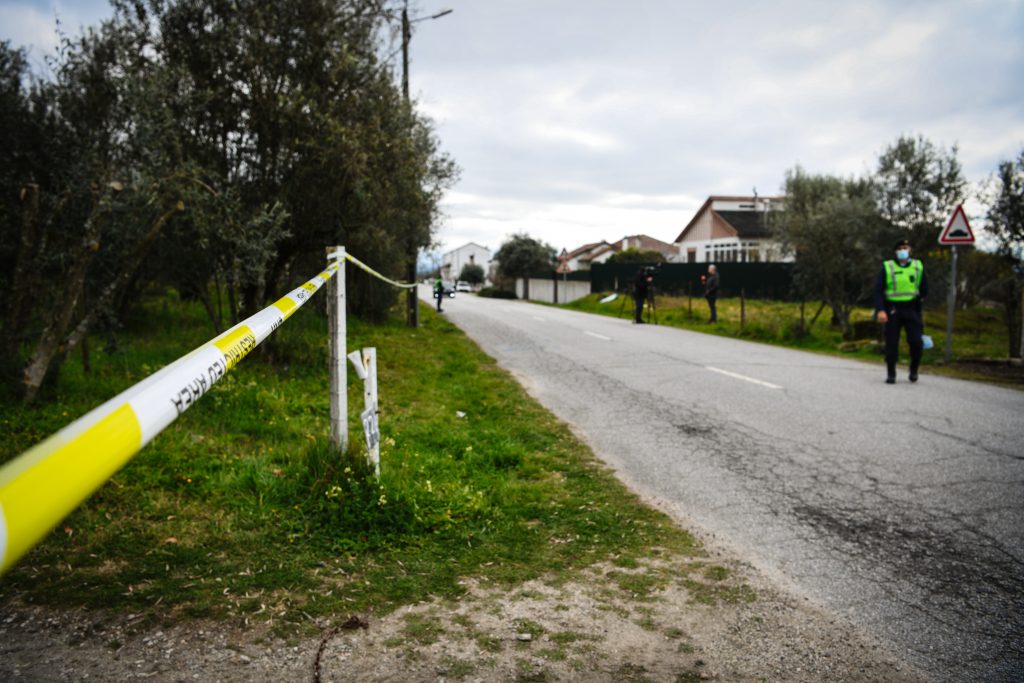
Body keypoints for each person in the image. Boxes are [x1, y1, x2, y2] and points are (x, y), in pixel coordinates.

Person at [874, 238, 928, 384]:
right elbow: (878, 290)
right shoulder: (888, 267)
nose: (902, 251)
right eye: (899, 248)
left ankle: (914, 369)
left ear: (910, 249)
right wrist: (881, 310)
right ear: (895, 251)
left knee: (916, 342)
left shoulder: (918, 266)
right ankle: (891, 373)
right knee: (891, 343)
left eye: (905, 247)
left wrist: (918, 301)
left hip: (912, 310)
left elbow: (924, 289)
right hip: (893, 310)